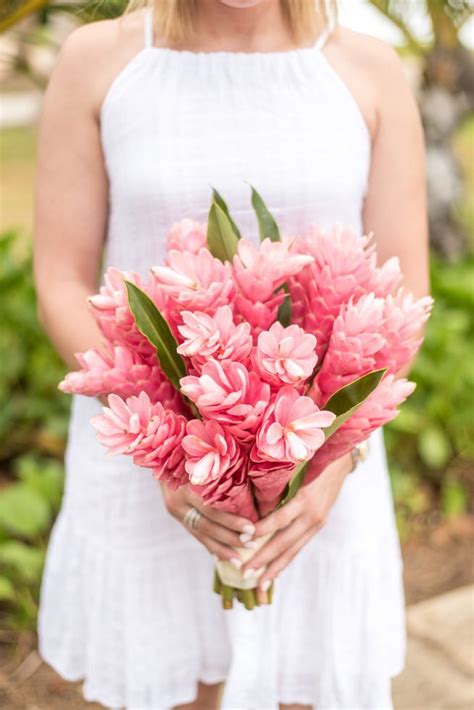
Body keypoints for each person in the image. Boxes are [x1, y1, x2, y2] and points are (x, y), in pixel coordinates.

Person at [33, 1, 429, 708]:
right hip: (150, 476)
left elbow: (402, 300)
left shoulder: (368, 70)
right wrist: (169, 450)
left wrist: (329, 464)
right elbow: (61, 281)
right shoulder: (98, 62)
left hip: (317, 488)